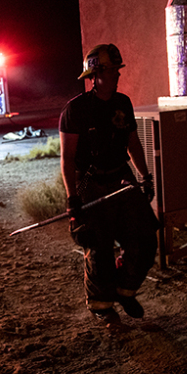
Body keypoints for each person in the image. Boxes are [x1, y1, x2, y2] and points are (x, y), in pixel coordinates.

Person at [59, 44, 159, 329]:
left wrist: (145, 176)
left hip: (122, 179)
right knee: (98, 248)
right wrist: (72, 199)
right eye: (112, 69)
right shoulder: (75, 110)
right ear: (96, 73)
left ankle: (125, 291)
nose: (117, 74)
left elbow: (132, 143)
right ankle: (102, 306)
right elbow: (67, 159)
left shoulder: (123, 103)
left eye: (117, 69)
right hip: (91, 182)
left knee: (145, 238)